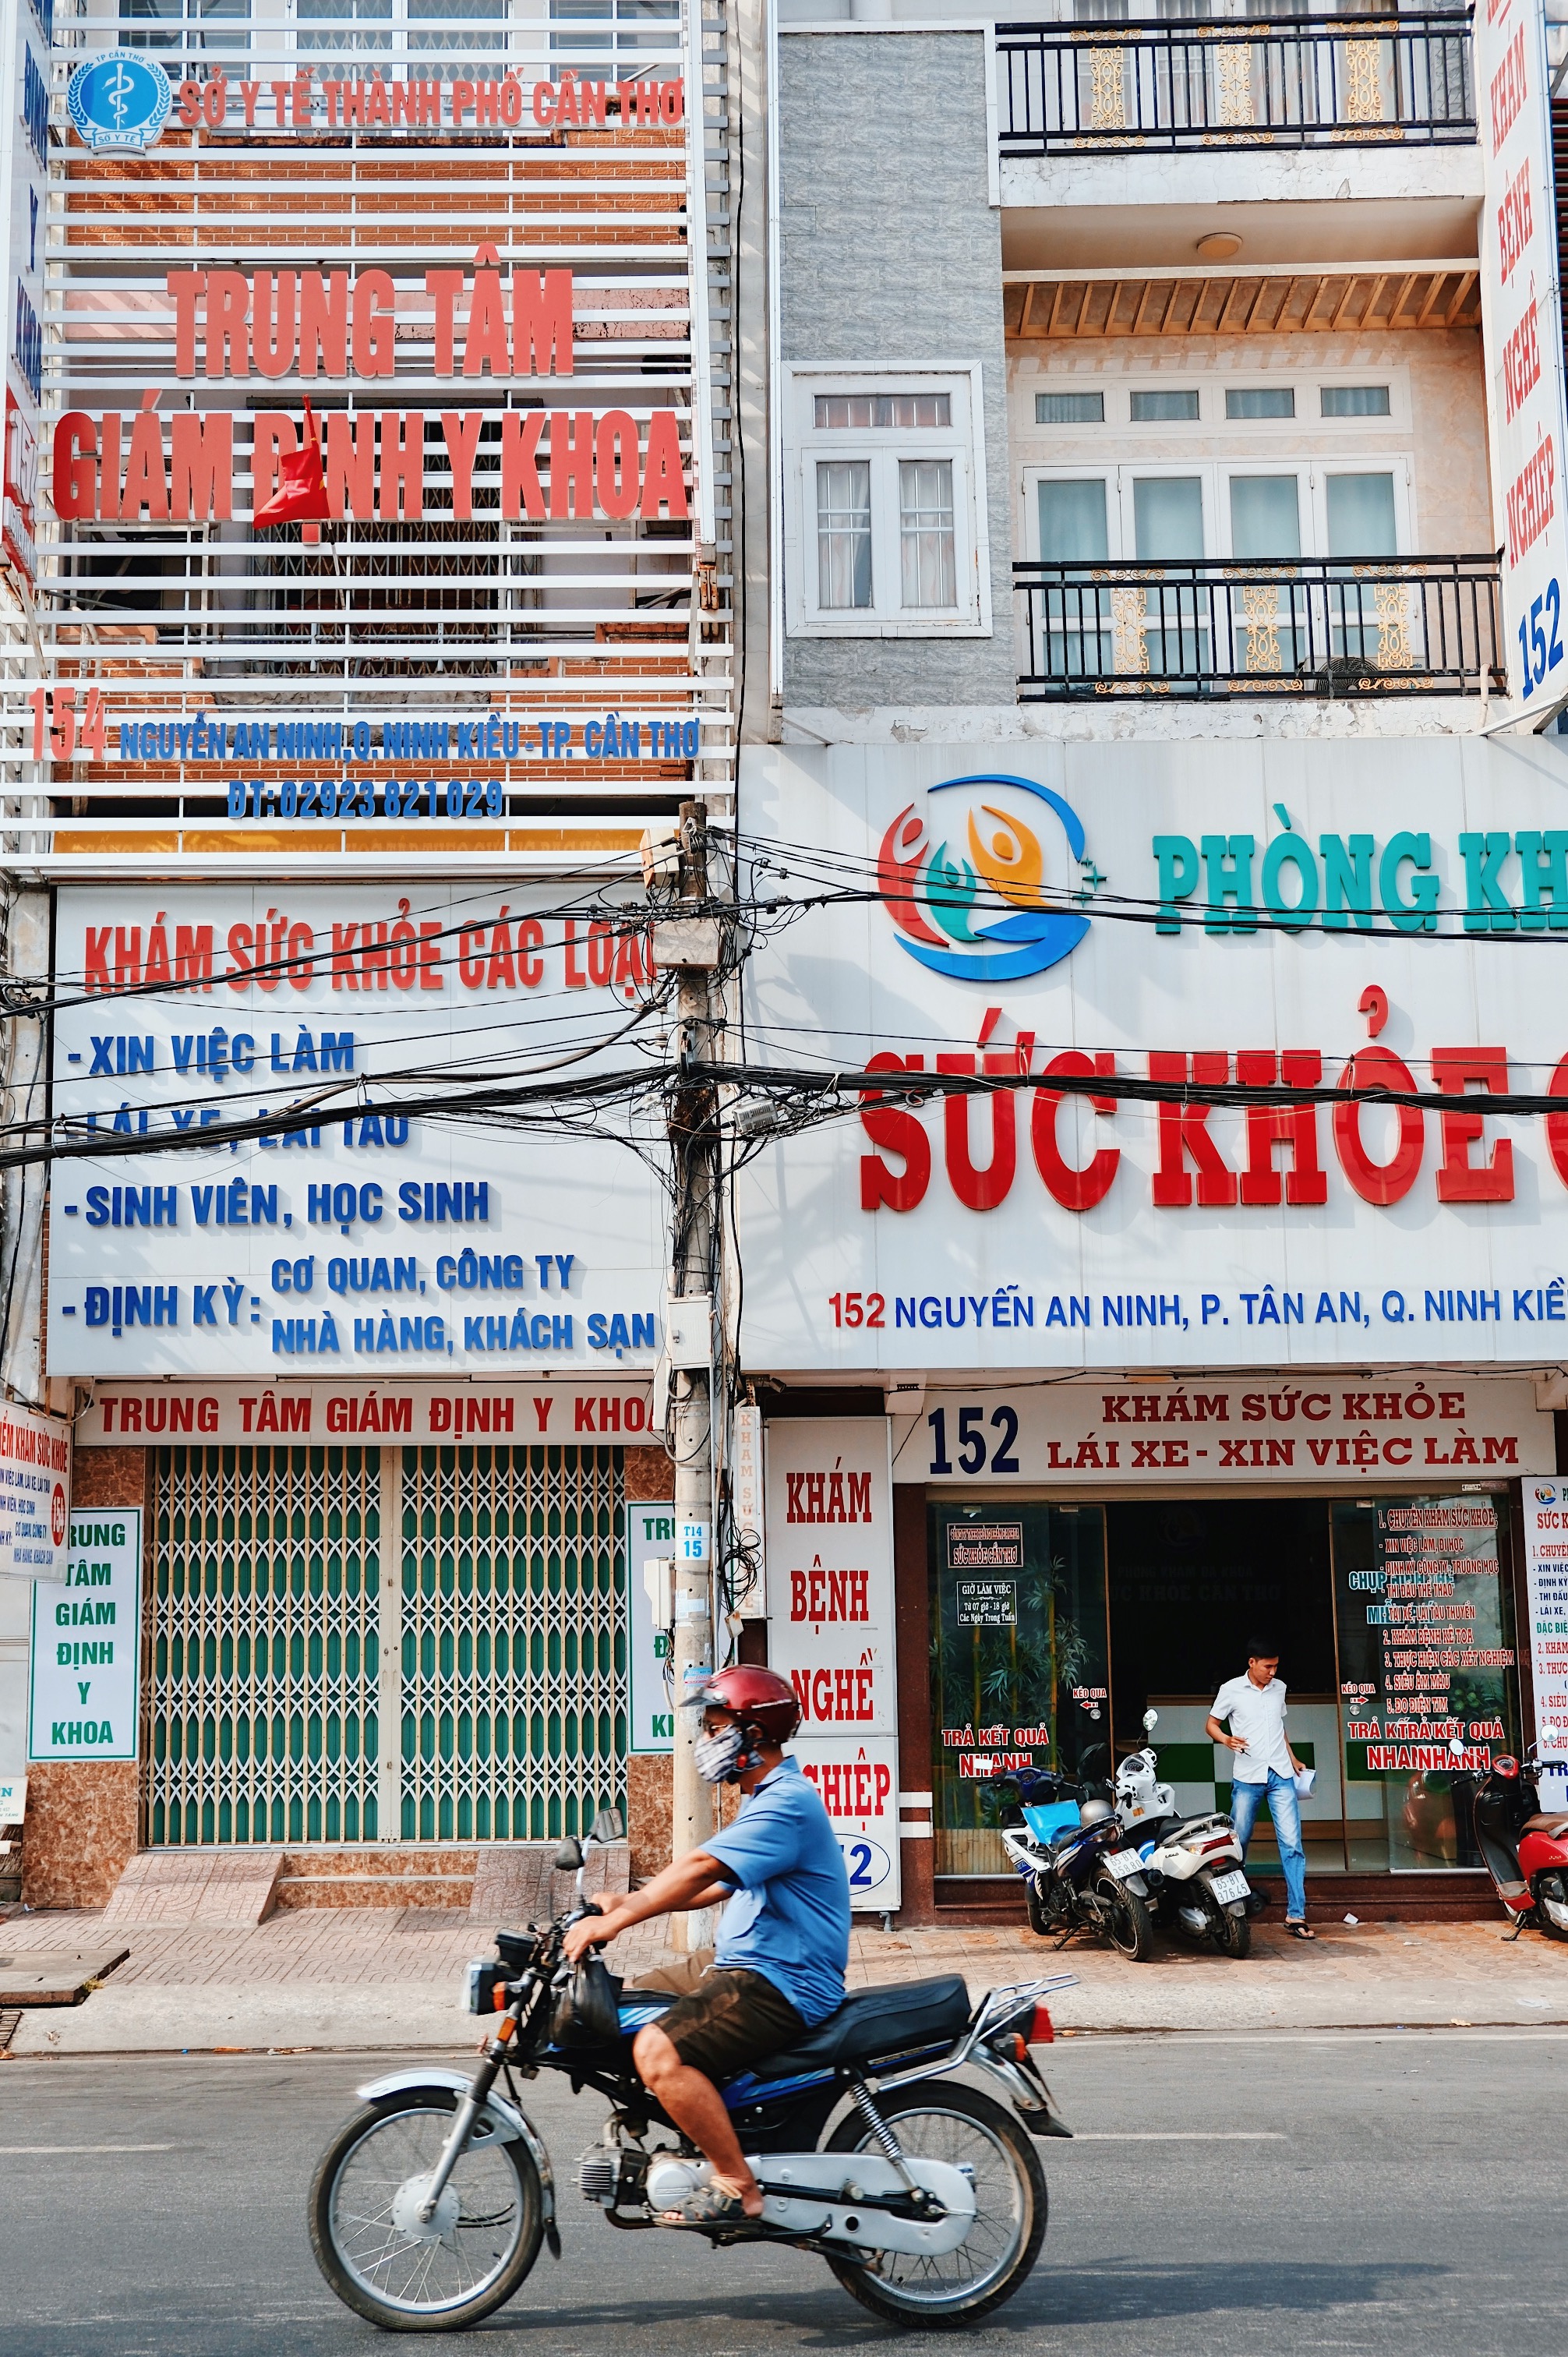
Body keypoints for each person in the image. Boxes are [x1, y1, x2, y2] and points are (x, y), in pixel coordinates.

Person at [563, 1663, 851, 2226]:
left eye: (716, 1728)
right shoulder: (762, 1797)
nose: (706, 1741)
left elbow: (701, 1866)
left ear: (754, 1734)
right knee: (620, 2008)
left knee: (656, 2050)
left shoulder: (786, 1804)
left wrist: (616, 1924)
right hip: (739, 1962)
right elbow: (714, 1884)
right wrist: (626, 1902)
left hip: (783, 1979)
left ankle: (738, 2185)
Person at [1206, 1639, 1313, 1940]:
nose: (1273, 1672)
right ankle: (1233, 1911)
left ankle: (1296, 1915)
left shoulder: (1279, 1688)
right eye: (1268, 1666)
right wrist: (1226, 1740)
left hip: (1281, 1775)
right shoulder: (1231, 1689)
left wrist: (1293, 1758)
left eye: (1276, 1666)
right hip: (1247, 1777)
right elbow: (1211, 1724)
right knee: (1237, 1845)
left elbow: (1278, 1728)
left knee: (1292, 1845)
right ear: (1252, 1663)